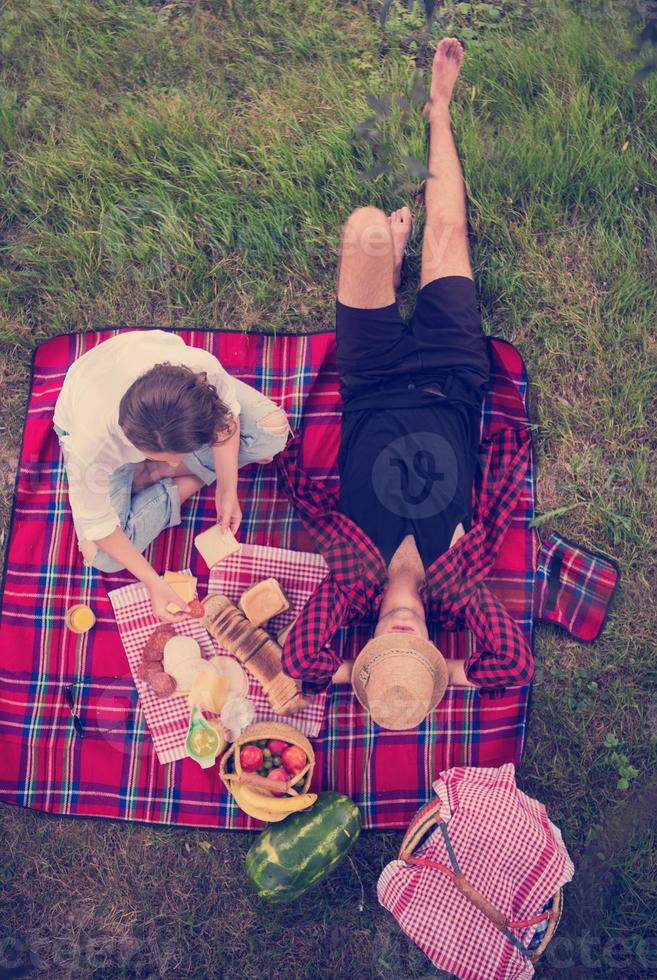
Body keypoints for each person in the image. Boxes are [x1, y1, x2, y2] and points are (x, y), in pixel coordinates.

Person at [276, 38, 534, 724]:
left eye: (379, 654)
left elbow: (299, 667)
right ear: (425, 643)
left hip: (371, 379)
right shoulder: (460, 587)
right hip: (453, 376)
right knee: (448, 228)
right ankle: (439, 110)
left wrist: (353, 672)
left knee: (362, 230)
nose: (398, 637)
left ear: (364, 649)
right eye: (410, 652)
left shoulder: (348, 583)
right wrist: (443, 676)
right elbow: (512, 668)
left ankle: (386, 272)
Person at [53, 330, 289, 621]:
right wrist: (154, 582)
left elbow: (226, 423)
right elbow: (98, 527)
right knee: (102, 556)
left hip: (163, 392)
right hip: (93, 425)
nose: (179, 460)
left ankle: (158, 474)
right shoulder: (91, 446)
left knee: (273, 432)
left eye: (180, 455)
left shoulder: (201, 373)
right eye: (170, 458)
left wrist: (227, 490)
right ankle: (179, 475)